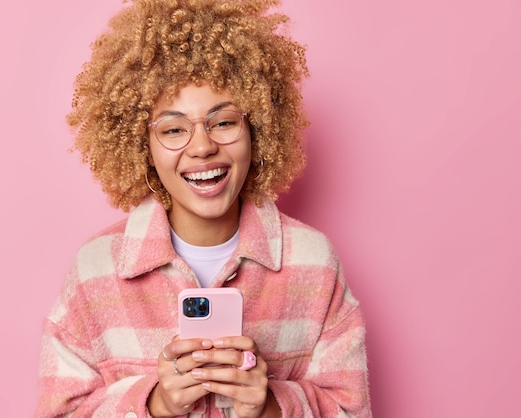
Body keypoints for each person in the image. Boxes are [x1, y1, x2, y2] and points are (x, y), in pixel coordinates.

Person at [36, 0, 371, 417]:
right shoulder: (95, 271)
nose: (201, 146)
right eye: (174, 129)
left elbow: (351, 410)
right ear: (144, 148)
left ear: (258, 129)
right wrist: (154, 405)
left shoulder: (314, 264)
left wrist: (270, 406)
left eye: (224, 121)